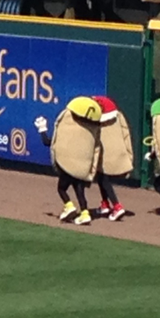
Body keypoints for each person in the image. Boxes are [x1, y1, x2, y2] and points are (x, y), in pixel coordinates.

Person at [34, 97, 104, 226]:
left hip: (67, 165)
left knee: (61, 189)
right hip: (82, 166)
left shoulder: (67, 130)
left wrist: (42, 129)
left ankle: (69, 206)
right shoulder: (91, 132)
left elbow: (49, 143)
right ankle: (85, 214)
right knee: (79, 190)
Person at [91, 95, 132, 221]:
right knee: (101, 177)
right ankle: (105, 204)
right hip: (116, 153)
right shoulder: (118, 116)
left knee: (104, 179)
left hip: (105, 156)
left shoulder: (96, 122)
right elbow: (126, 135)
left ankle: (117, 206)